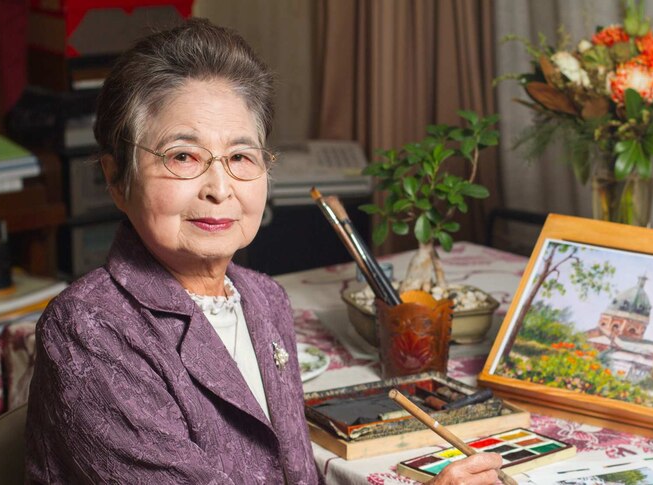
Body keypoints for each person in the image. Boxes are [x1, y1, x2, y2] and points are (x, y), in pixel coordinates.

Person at [24, 18, 502, 484]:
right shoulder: (90, 330)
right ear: (115, 179)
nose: (219, 188)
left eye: (240, 157)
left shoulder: (262, 299)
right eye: (183, 156)